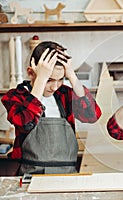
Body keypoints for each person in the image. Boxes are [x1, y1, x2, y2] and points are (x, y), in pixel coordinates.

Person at [1, 41, 102, 175]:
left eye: (60, 79)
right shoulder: (15, 96)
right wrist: (41, 79)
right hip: (31, 174)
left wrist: (71, 75)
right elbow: (25, 123)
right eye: (49, 80)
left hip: (67, 173)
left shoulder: (65, 95)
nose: (55, 87)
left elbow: (92, 116)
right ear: (31, 72)